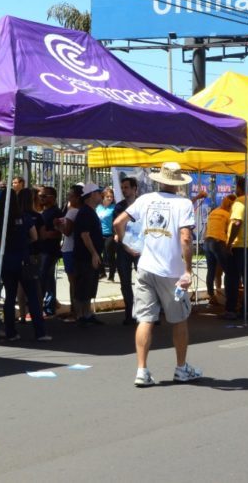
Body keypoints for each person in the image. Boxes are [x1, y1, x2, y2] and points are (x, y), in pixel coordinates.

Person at [114, 162, 200, 387]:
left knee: (145, 318)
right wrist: (188, 270)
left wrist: (126, 243)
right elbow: (185, 238)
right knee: (179, 319)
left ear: (159, 180)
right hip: (170, 271)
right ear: (177, 183)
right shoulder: (183, 203)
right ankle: (181, 368)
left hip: (146, 266)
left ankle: (142, 370)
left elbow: (118, 222)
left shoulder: (145, 199)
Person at [0, 188, 49, 341]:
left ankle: (10, 332)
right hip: (24, 260)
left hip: (7, 261)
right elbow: (34, 237)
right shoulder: (25, 217)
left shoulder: (0, 220)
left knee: (9, 297)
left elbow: (0, 242)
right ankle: (40, 332)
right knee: (32, 295)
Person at [224, 177, 248, 320]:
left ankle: (231, 310)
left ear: (239, 187)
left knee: (233, 279)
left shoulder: (240, 201)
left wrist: (229, 243)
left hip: (240, 245)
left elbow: (236, 222)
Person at [73, 183, 104, 326]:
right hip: (85, 257)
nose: (101, 195)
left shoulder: (90, 211)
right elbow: (85, 235)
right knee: (83, 285)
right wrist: (93, 253)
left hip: (90, 256)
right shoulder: (85, 212)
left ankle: (87, 313)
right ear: (91, 195)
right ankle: (80, 315)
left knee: (89, 285)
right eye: (98, 192)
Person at [114, 177, 141, 324]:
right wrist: (126, 246)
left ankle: (147, 313)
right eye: (122, 187)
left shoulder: (142, 205)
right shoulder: (119, 207)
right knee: (125, 282)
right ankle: (129, 313)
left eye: (126, 187)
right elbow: (118, 227)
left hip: (140, 249)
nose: (124, 190)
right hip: (124, 249)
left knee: (144, 281)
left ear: (134, 188)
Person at [205, 195, 236, 305]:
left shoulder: (214, 212)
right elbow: (230, 231)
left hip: (207, 241)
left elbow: (206, 227)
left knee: (211, 271)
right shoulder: (228, 214)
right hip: (218, 242)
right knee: (229, 271)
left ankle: (211, 296)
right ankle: (230, 298)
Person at [57, 184, 83, 321]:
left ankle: (75, 312)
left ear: (78, 198)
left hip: (69, 249)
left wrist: (58, 225)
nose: (68, 197)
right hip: (75, 249)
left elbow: (67, 231)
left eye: (71, 195)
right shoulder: (82, 211)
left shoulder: (72, 212)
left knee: (73, 282)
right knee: (75, 282)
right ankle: (77, 311)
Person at [38, 186, 64, 317]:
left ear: (52, 198)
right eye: (40, 196)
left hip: (49, 250)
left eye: (43, 196)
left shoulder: (56, 213)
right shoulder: (43, 211)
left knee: (43, 278)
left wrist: (45, 234)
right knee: (48, 278)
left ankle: (43, 306)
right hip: (43, 249)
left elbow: (59, 233)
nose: (40, 198)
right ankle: (49, 306)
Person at [97, 187, 116, 281]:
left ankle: (112, 275)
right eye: (107, 196)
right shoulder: (98, 207)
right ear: (103, 197)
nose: (110, 198)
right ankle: (102, 272)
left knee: (109, 254)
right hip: (99, 234)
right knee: (97, 253)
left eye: (111, 197)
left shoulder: (114, 208)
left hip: (110, 234)